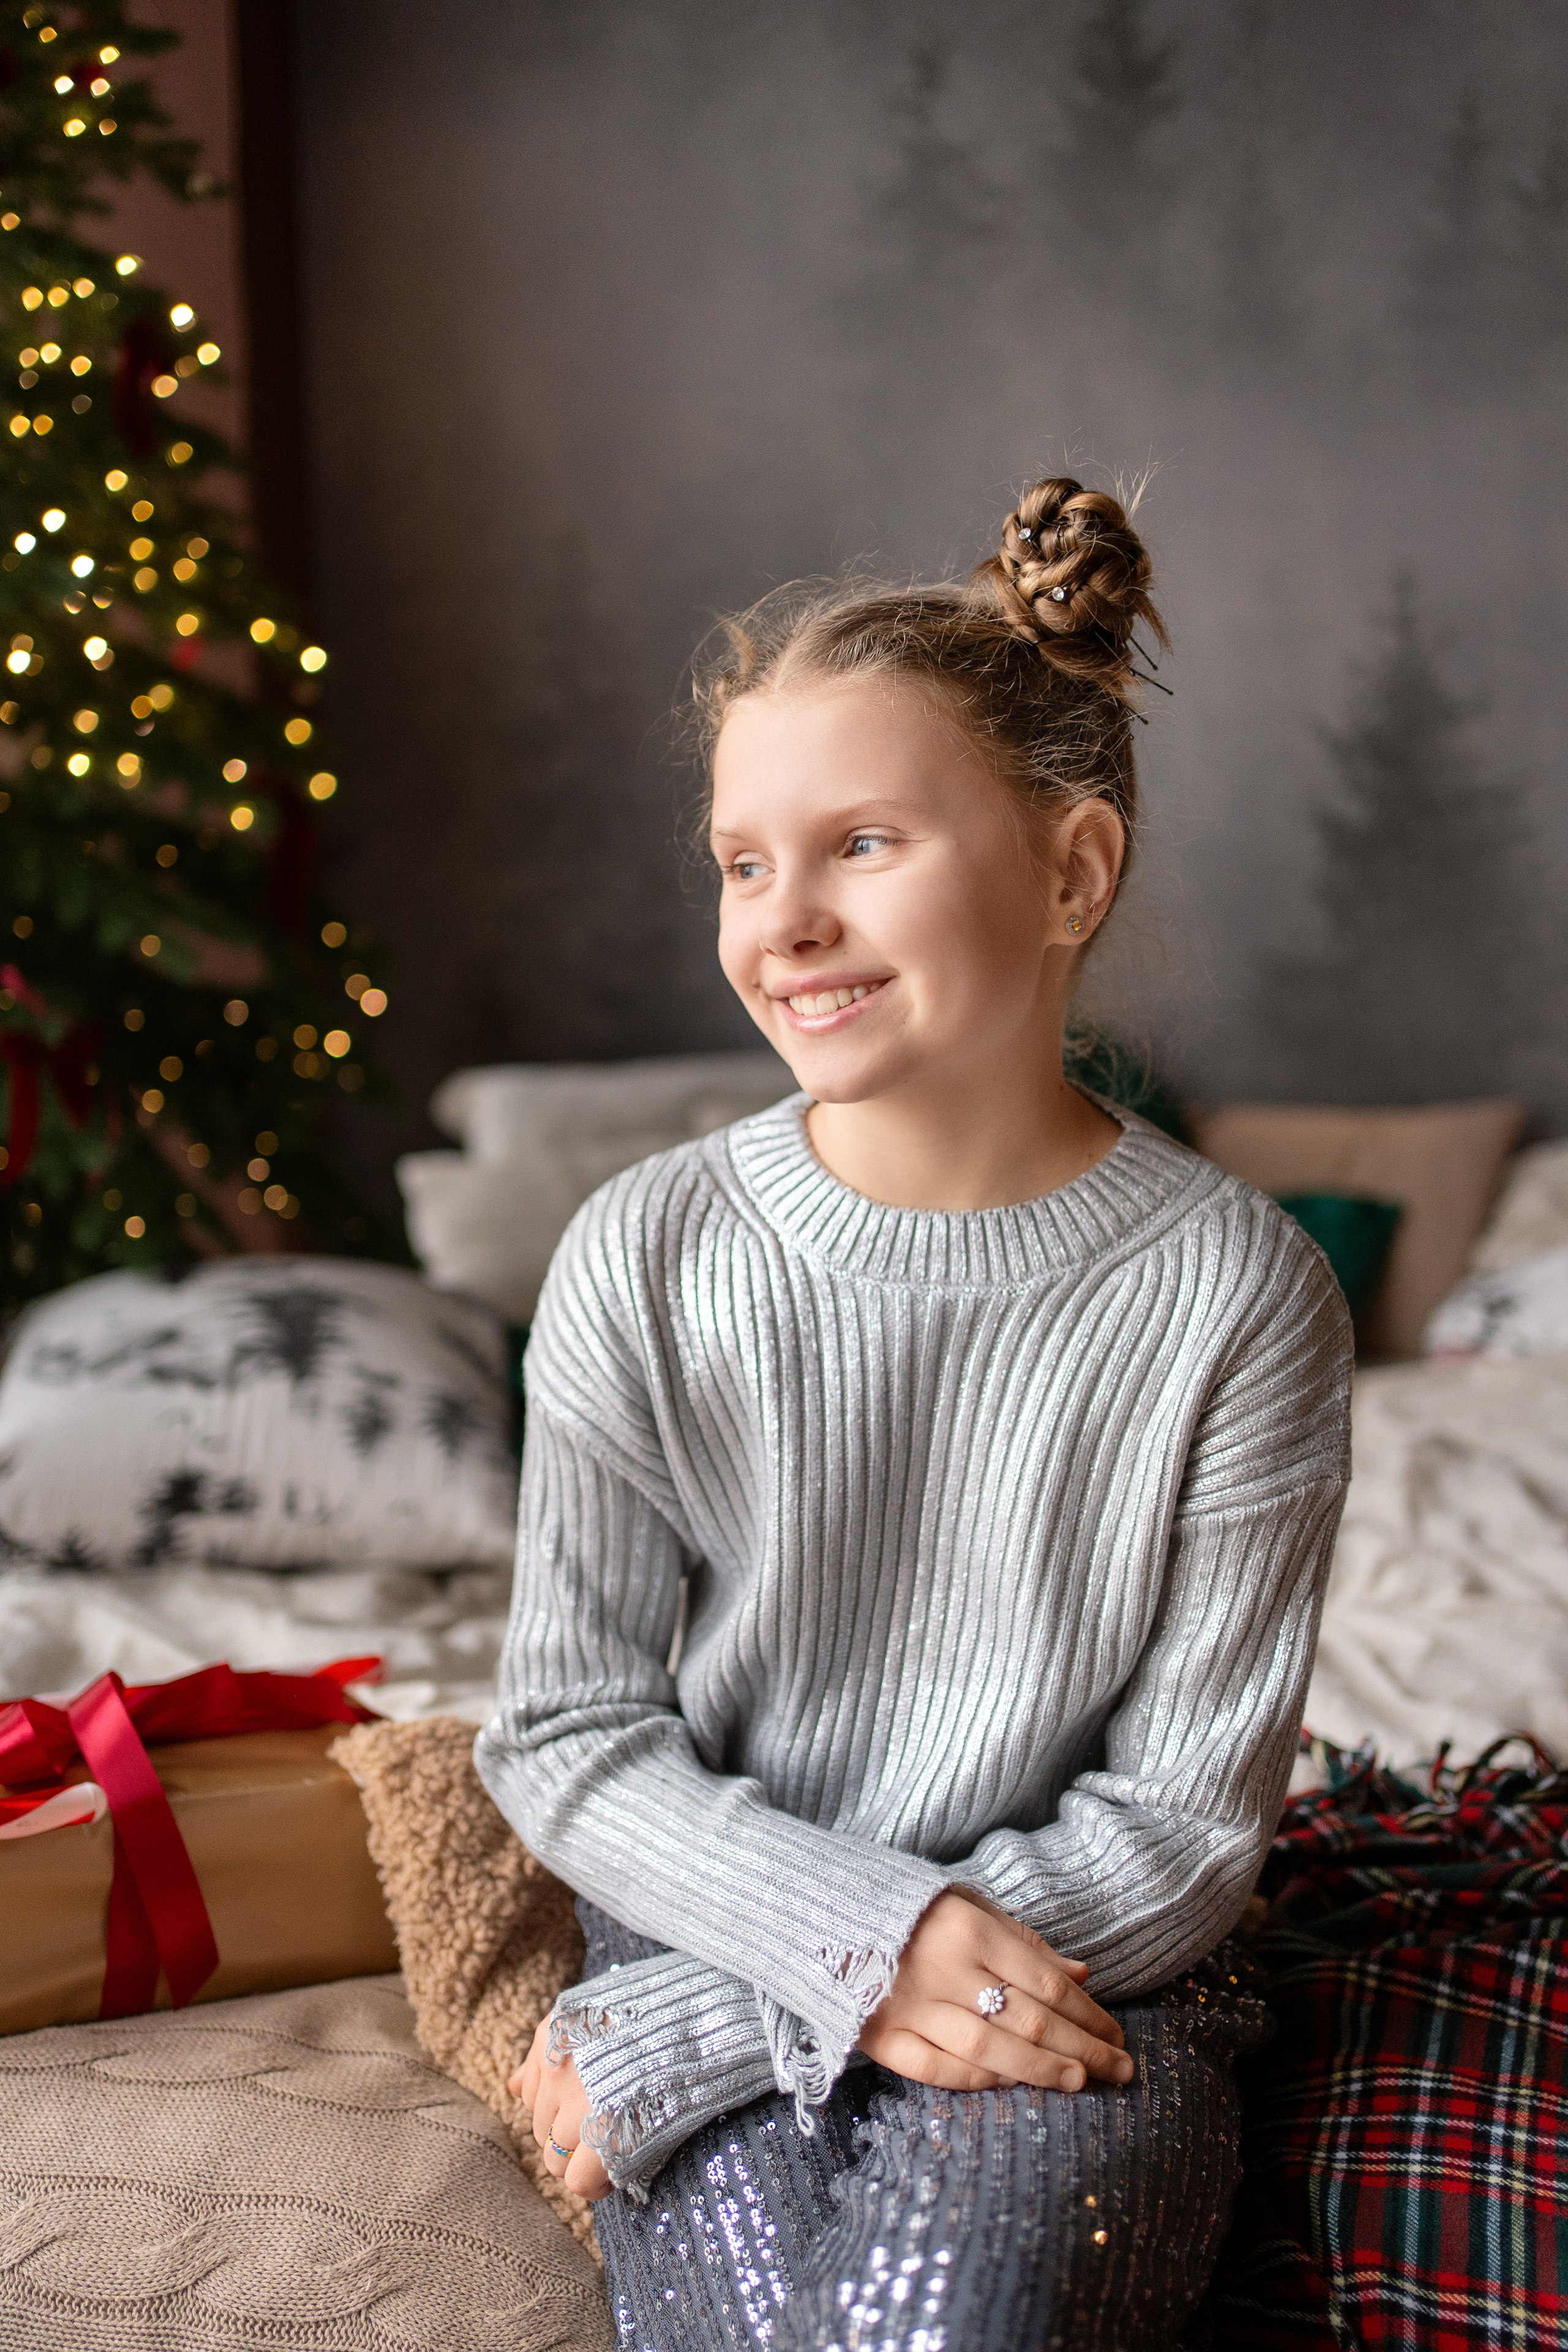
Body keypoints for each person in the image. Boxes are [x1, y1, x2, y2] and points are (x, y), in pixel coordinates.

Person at [474, 476, 1352, 2351]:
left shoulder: (1240, 1295)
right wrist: (817, 1949)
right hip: (715, 1894)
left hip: (1095, 1963)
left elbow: (1189, 1828)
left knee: (946, 2318)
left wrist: (733, 2019)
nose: (783, 918)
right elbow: (564, 1732)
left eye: (860, 843)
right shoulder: (645, 1250)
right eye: (739, 860)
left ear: (1072, 875)